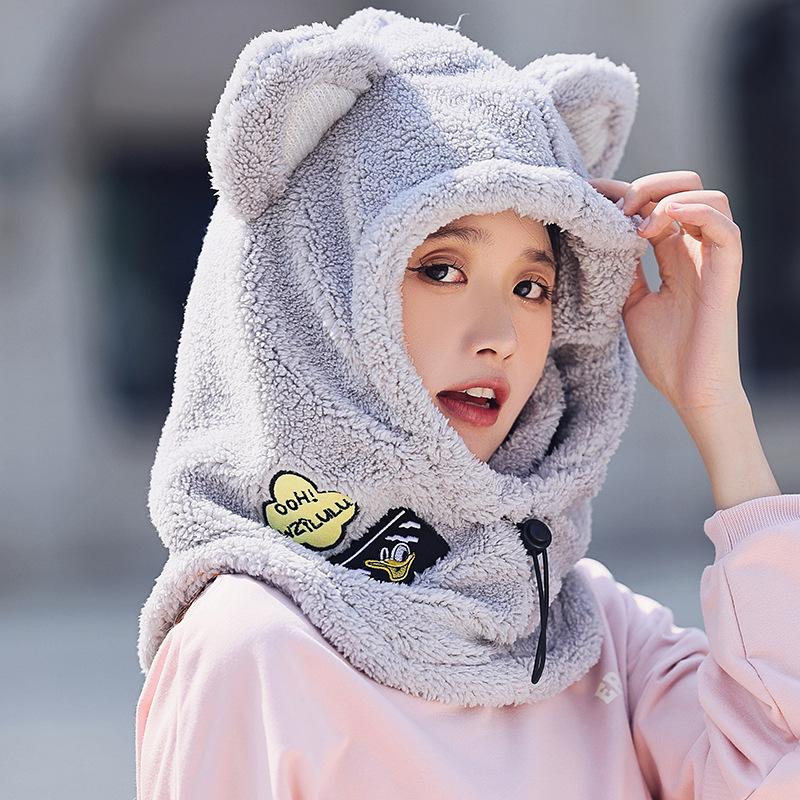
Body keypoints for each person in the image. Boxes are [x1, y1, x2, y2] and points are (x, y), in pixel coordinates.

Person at [134, 7, 799, 799]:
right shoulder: (251, 650)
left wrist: (715, 406)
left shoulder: (592, 638)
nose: (501, 338)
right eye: (441, 269)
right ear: (313, 292)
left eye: (532, 286)